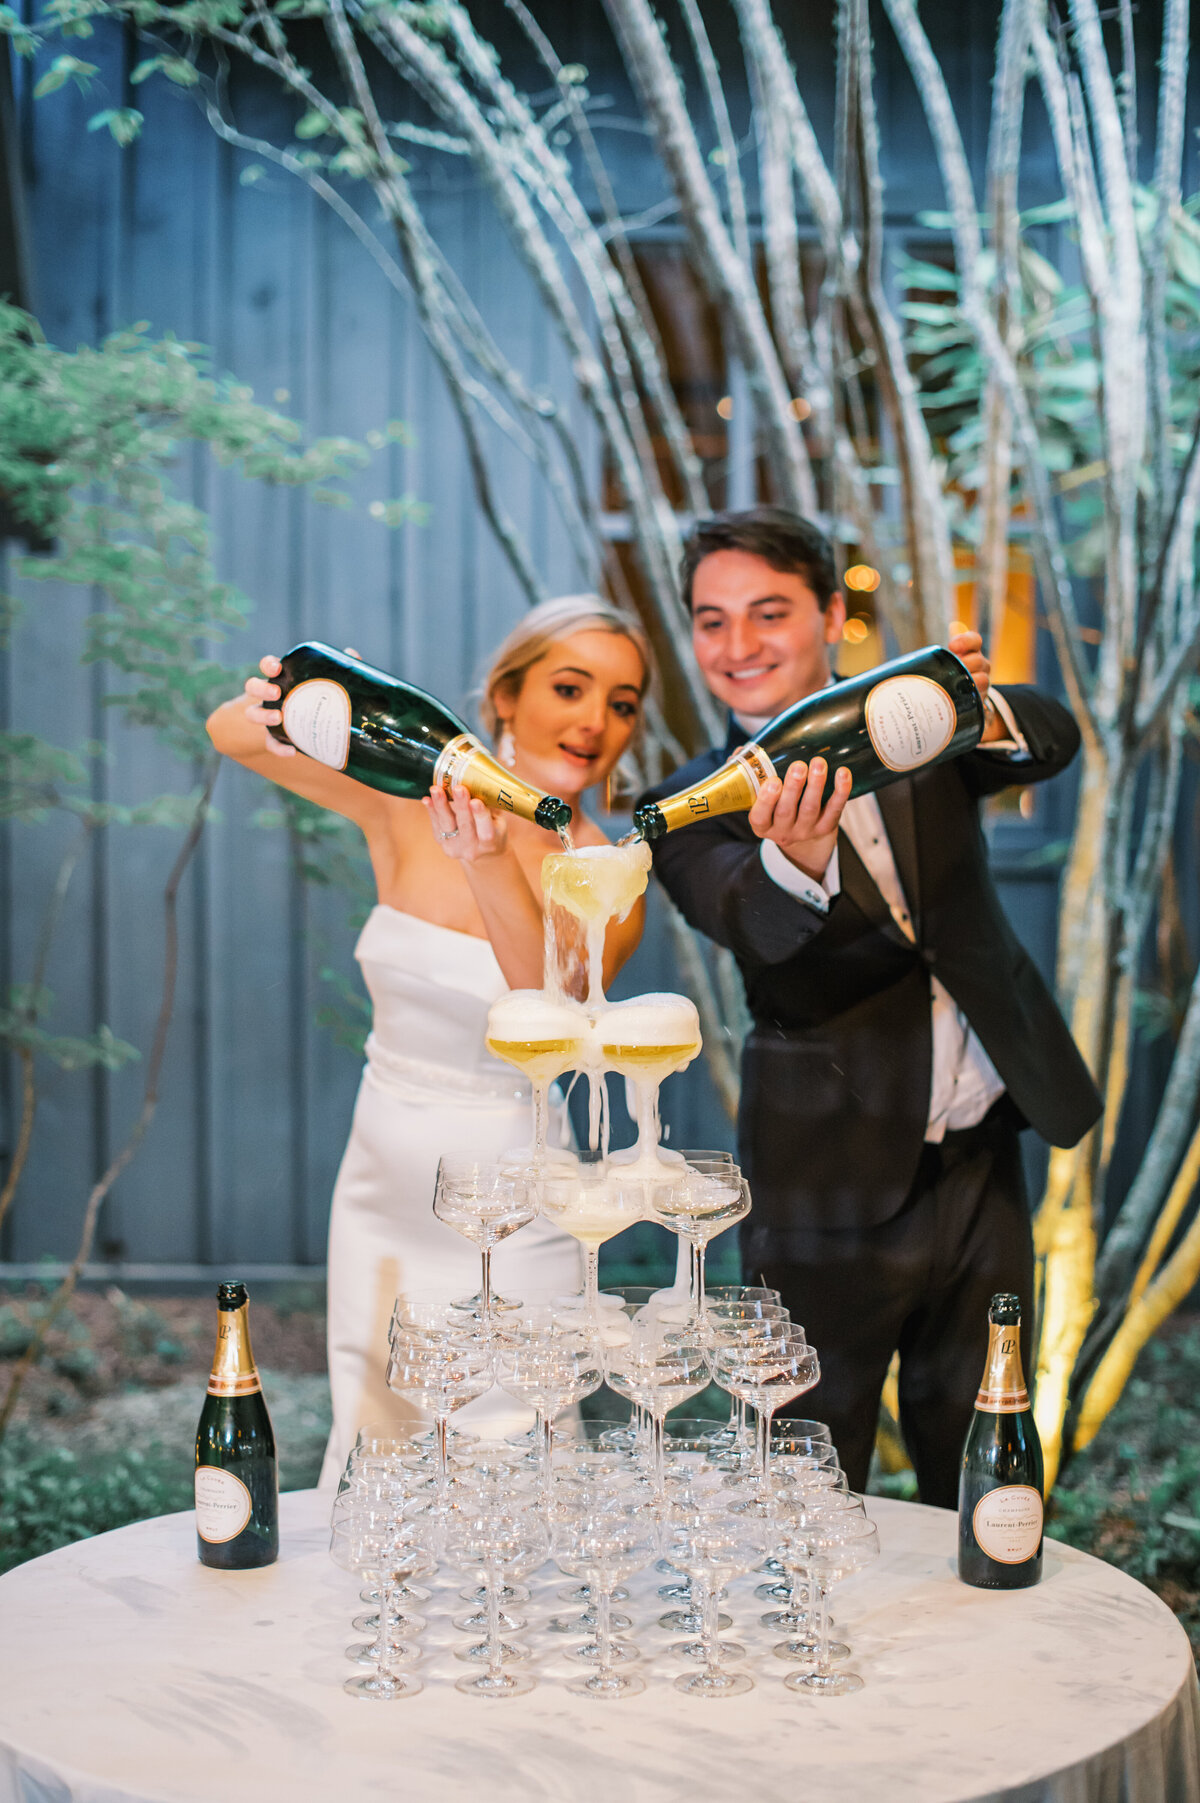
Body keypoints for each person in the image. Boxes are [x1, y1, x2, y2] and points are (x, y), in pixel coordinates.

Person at [639, 507, 1102, 1506]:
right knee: (807, 1464)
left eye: (769, 612)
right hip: (826, 1179)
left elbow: (1054, 741)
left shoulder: (912, 726)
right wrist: (795, 856)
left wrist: (973, 703)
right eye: (712, 622)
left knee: (986, 1442)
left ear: (829, 615)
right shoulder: (690, 800)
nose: (739, 646)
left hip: (983, 1151)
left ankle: (987, 1644)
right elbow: (751, 926)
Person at [207, 595, 652, 1480]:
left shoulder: (608, 870)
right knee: (377, 1440)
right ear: (504, 697)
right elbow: (229, 734)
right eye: (571, 687)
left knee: (513, 1454)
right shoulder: (409, 799)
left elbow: (549, 1022)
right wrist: (297, 701)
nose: (596, 720)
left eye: (624, 702)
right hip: (378, 1183)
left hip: (510, 1205)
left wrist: (488, 861)